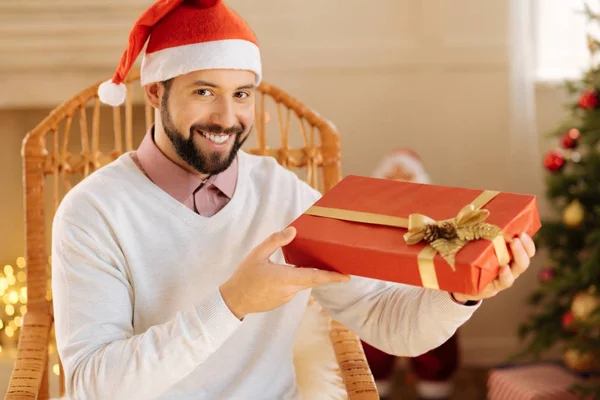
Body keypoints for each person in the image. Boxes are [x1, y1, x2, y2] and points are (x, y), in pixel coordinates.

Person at [51, 1, 537, 399]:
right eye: (204, 91)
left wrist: (461, 293)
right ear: (156, 92)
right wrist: (233, 303)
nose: (227, 116)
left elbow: (383, 320)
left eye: (243, 94)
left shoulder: (283, 194)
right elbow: (96, 385)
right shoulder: (93, 213)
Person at [367, 149, 460, 400]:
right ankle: (376, 383)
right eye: (392, 175)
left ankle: (434, 383)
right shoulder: (369, 216)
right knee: (371, 341)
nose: (399, 181)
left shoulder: (437, 218)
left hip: (425, 288)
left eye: (406, 175)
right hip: (379, 291)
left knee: (435, 333)